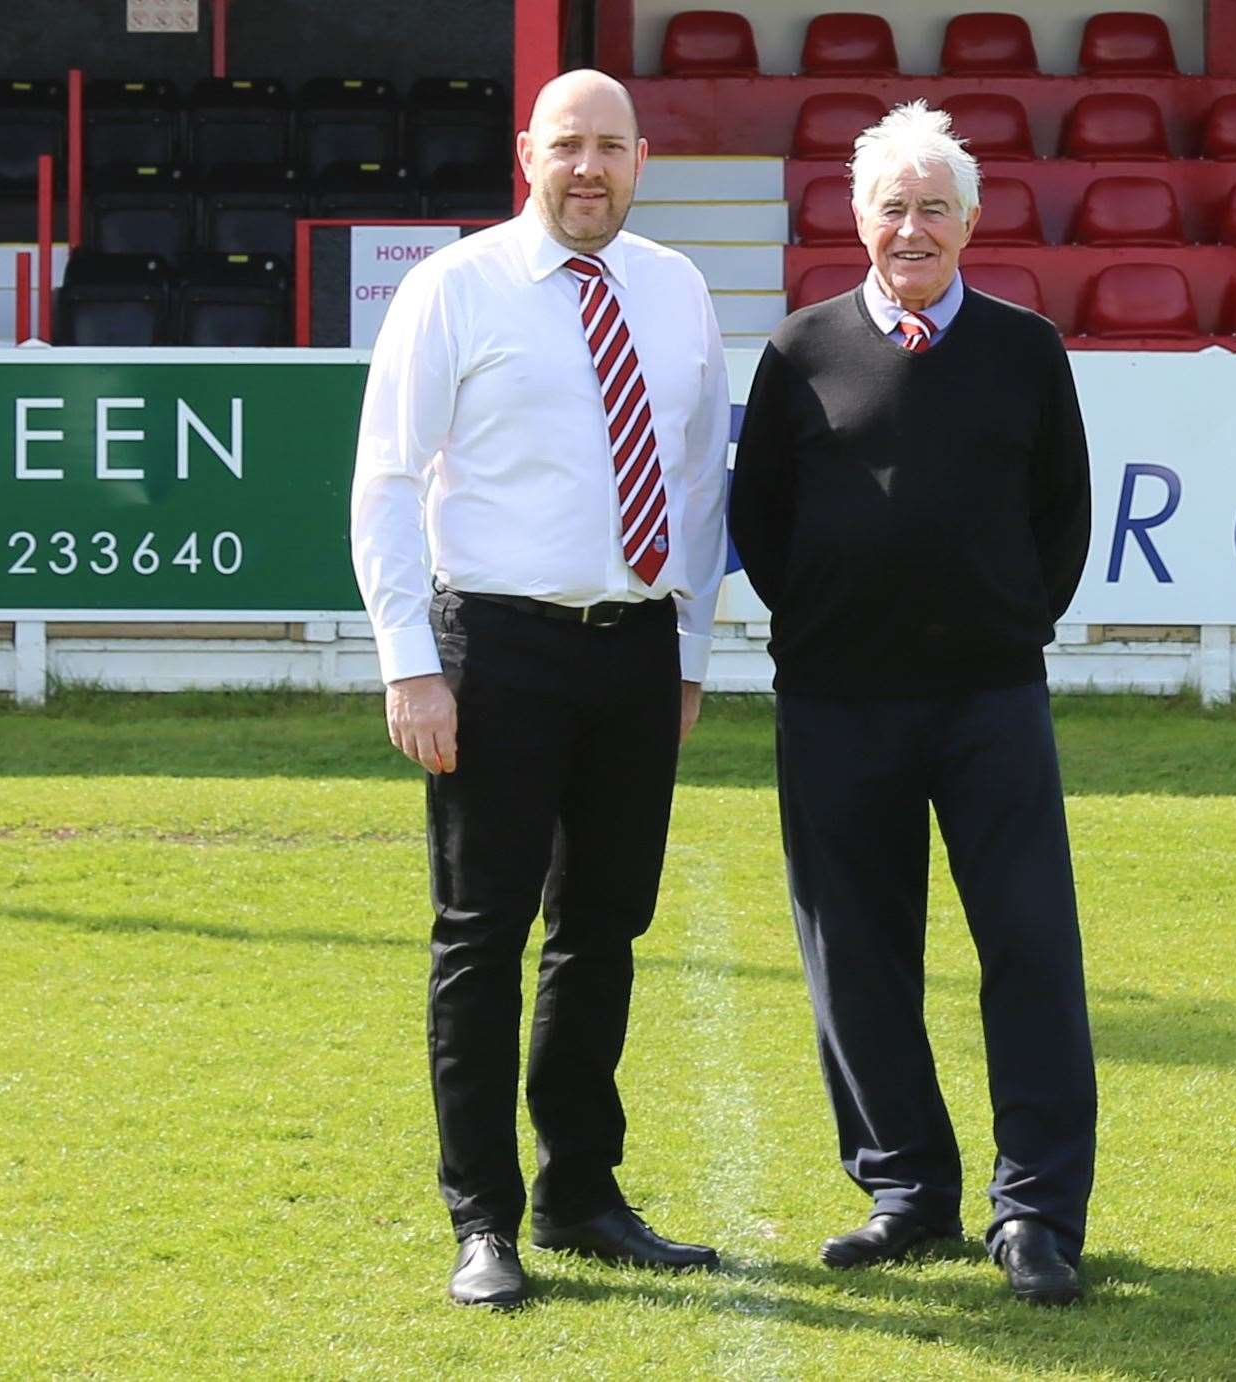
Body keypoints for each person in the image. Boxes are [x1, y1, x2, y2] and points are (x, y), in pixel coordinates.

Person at [350, 68, 730, 1310]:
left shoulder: (675, 289)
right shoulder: (452, 288)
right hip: (494, 650)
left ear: (639, 160)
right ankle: (482, 1219)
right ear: (527, 152)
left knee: (604, 926)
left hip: (633, 650)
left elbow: (695, 484)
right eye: (566, 144)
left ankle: (581, 1190)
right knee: (481, 934)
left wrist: (687, 653)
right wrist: (412, 660)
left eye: (610, 147)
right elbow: (388, 481)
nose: (588, 168)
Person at [728, 101, 1097, 1306]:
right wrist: (836, 621)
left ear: (973, 222)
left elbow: (1062, 519)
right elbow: (761, 526)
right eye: (892, 205)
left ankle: (1035, 1210)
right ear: (856, 218)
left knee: (1030, 947)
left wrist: (999, 622)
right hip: (838, 701)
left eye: (935, 206)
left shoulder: (1027, 349)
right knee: (860, 957)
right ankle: (906, 1192)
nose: (912, 226)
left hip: (990, 698)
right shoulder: (797, 353)